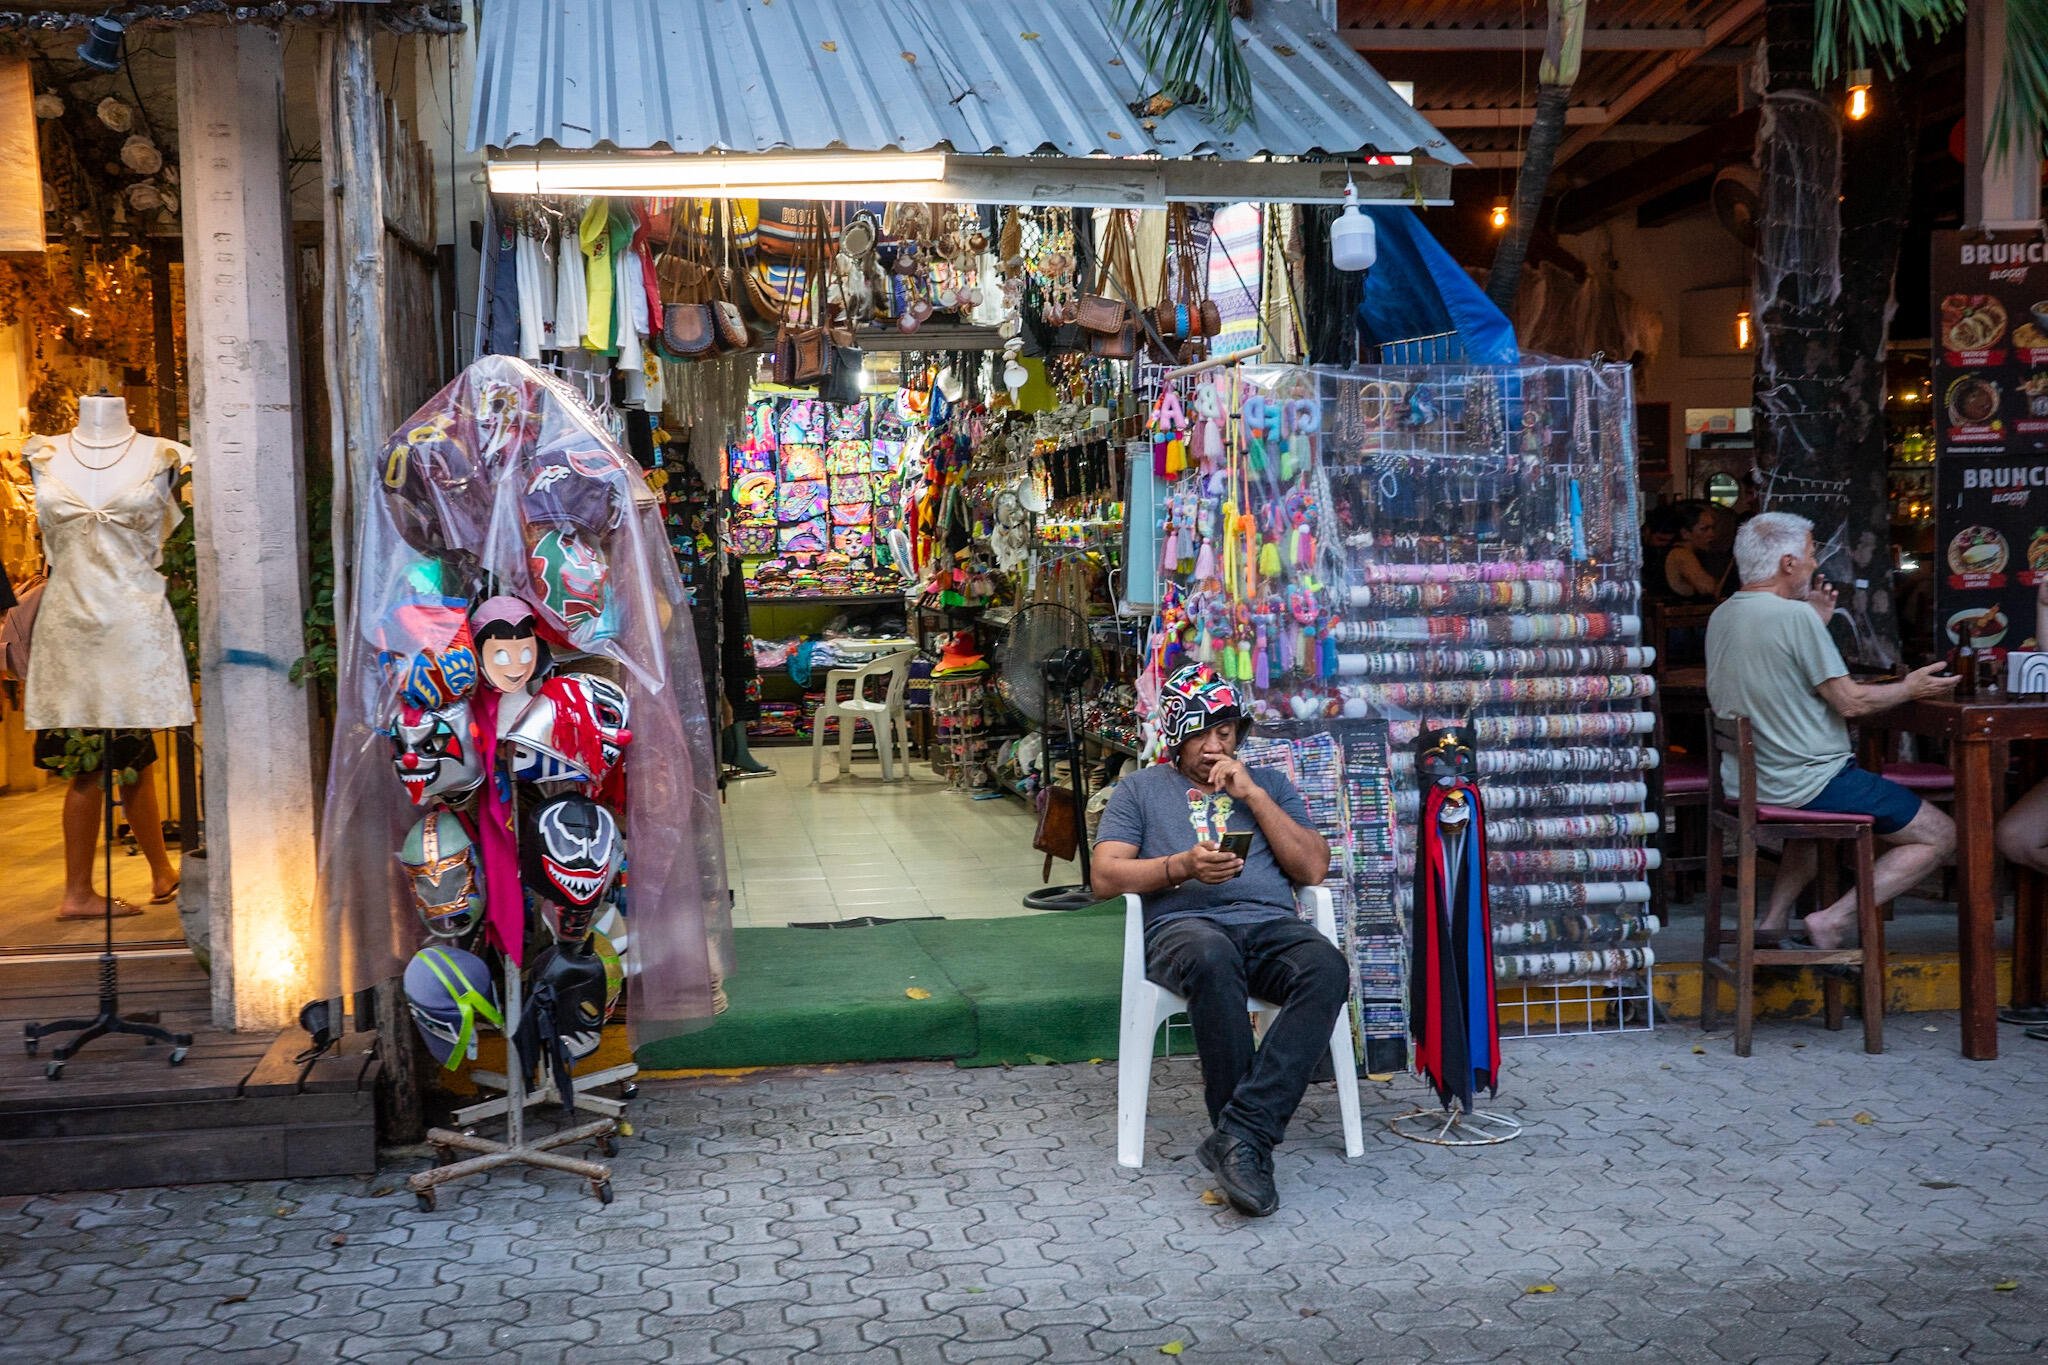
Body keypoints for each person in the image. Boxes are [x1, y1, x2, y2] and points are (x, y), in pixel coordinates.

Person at [1091, 664, 1347, 1217]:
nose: (1215, 746)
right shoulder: (1140, 790)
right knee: (1213, 957)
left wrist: (1253, 796)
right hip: (1186, 931)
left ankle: (1242, 1136)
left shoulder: (1269, 786)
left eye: (1226, 732)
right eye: (1203, 733)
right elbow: (1105, 876)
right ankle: (1246, 1145)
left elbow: (1314, 867)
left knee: (1326, 967)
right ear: (1176, 735)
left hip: (1269, 926)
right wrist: (1180, 866)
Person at [1706, 512, 1958, 948]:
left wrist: (1813, 626)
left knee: (1811, 829)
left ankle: (1772, 921)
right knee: (1941, 835)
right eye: (1809, 553)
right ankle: (1833, 919)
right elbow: (1851, 702)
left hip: (1751, 779)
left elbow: (1775, 672)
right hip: (1808, 780)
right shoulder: (1792, 618)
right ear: (1787, 563)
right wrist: (1910, 686)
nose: (1813, 563)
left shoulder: (1724, 614)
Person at [1664, 499, 1729, 600]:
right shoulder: (1680, 554)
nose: (1711, 534)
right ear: (1685, 533)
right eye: (1704, 529)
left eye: (1713, 528)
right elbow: (1708, 588)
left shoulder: (1693, 553)